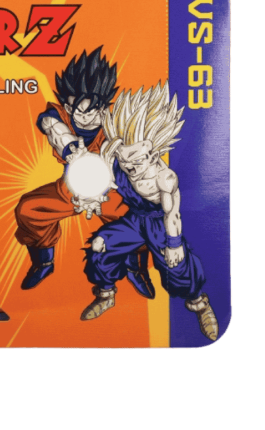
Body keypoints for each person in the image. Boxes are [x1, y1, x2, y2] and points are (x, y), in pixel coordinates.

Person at [77, 83, 219, 341]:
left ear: (152, 154)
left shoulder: (164, 178)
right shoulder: (115, 154)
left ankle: (199, 303)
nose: (129, 167)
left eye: (136, 161)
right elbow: (101, 177)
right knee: (99, 246)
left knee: (178, 265)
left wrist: (174, 244)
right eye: (124, 160)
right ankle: (106, 294)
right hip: (134, 220)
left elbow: (172, 215)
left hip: (159, 223)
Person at [15, 47, 155, 296]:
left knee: (138, 218)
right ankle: (43, 263)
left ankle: (136, 267)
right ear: (68, 107)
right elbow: (52, 127)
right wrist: (73, 150)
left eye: (94, 109)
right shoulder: (57, 116)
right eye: (79, 110)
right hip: (70, 189)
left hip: (111, 192)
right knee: (29, 209)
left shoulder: (117, 121)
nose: (87, 117)